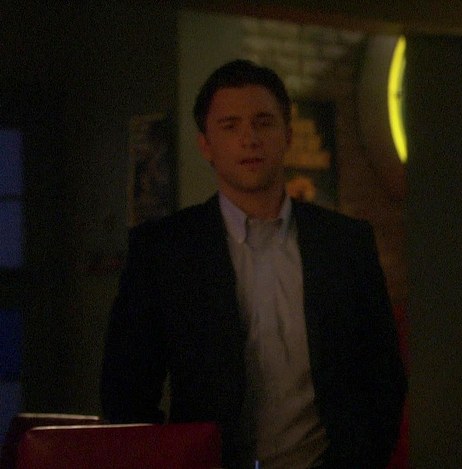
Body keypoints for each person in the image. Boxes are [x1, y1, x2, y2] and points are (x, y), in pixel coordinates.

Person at [101, 59, 407, 469]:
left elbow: (384, 376)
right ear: (206, 145)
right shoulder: (165, 251)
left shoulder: (344, 244)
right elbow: (126, 390)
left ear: (287, 135)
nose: (250, 139)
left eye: (263, 123)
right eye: (230, 126)